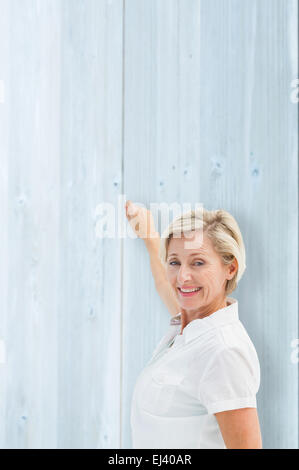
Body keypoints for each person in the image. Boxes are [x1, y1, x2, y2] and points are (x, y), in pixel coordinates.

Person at [125, 201, 262, 449]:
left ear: (230, 268)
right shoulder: (191, 325)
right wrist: (149, 236)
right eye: (175, 262)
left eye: (198, 263)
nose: (182, 277)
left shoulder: (224, 351)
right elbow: (165, 284)